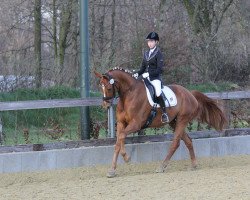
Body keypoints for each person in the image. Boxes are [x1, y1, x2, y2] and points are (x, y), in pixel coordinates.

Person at [133, 32, 169, 123]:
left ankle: (165, 113)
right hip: (146, 77)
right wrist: (137, 74)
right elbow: (142, 68)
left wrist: (149, 74)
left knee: (157, 93)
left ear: (156, 42)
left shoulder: (158, 53)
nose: (150, 43)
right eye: (148, 41)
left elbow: (160, 70)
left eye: (152, 41)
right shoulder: (146, 53)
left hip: (155, 78)